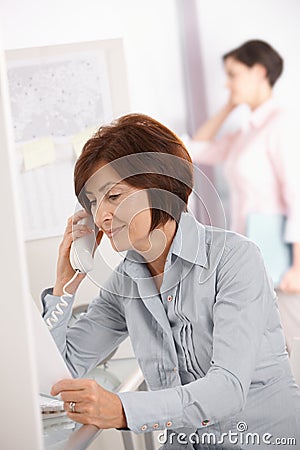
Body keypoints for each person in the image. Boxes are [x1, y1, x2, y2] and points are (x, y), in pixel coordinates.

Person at [42, 114, 300, 449]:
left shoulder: (236, 259)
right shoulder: (125, 282)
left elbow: (228, 388)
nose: (99, 215)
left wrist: (120, 410)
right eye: (92, 201)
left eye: (114, 195)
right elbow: (59, 372)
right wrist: (65, 286)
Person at [189, 40, 300, 353]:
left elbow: (298, 195)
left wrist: (299, 266)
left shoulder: (283, 124)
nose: (227, 83)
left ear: (259, 72)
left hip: (285, 262)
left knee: (292, 345)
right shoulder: (247, 131)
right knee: (277, 349)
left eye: (233, 74)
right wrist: (229, 105)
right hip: (257, 254)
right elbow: (196, 148)